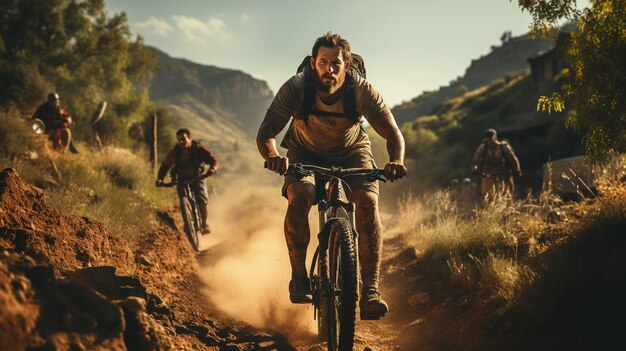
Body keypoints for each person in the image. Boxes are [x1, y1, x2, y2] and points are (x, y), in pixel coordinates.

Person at [256, 32, 407, 320]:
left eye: (336, 63)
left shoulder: (361, 90)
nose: (330, 69)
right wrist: (273, 156)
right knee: (301, 196)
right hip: (304, 151)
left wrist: (396, 160)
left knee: (367, 204)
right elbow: (267, 130)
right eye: (323, 62)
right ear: (313, 63)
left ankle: (371, 291)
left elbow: (393, 133)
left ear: (346, 64)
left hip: (352, 151)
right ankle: (299, 277)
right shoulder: (298, 87)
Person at [156, 128, 219, 234]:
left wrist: (212, 169)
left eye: (184, 139)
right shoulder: (174, 152)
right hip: (181, 180)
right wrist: (160, 179)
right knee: (183, 199)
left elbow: (213, 161)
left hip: (197, 178)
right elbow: (165, 166)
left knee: (202, 199)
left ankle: (204, 223)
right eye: (179, 140)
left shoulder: (199, 149)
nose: (182, 142)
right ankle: (188, 221)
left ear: (189, 137)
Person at [470, 128, 521, 200]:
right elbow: (475, 161)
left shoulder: (504, 147)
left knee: (507, 197)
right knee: (487, 198)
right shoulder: (483, 148)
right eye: (488, 139)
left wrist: (517, 170)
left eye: (491, 139)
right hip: (488, 175)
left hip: (504, 175)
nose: (490, 141)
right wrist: (474, 170)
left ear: (495, 138)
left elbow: (513, 159)